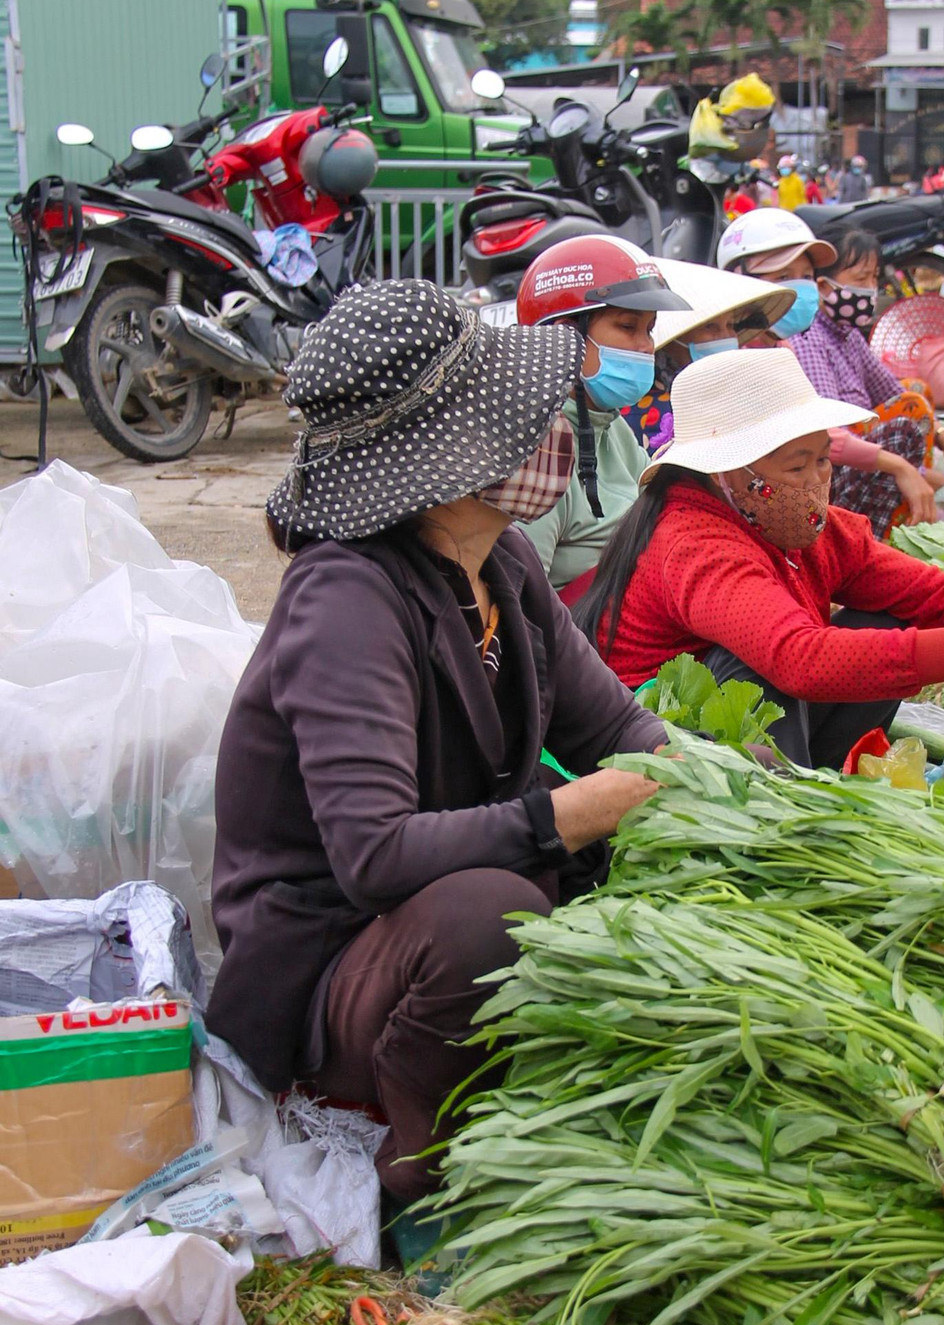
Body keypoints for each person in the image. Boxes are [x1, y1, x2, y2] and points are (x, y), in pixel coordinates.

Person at [206, 282, 668, 1200]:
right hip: (337, 962)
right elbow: (375, 856)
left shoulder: (503, 560)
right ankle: (418, 1166)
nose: (552, 428)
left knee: (626, 865)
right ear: (454, 446)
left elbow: (616, 726)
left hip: (435, 911)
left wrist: (714, 780)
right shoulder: (345, 597)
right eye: (522, 410)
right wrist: (568, 813)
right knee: (488, 916)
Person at [575, 347, 944, 768]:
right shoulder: (693, 542)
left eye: (822, 459)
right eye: (798, 466)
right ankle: (782, 809)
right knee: (757, 664)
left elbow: (922, 590)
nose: (818, 480)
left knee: (885, 621)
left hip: (747, 733)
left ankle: (817, 777)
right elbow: (798, 659)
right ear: (725, 473)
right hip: (660, 748)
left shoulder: (794, 523)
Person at [512, 236, 691, 601]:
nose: (646, 345)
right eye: (627, 327)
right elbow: (523, 605)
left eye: (649, 329)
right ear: (564, 336)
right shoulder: (534, 450)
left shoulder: (612, 428)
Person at [790, 225, 944, 538]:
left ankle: (919, 495)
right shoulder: (810, 338)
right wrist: (905, 468)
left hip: (859, 446)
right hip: (837, 465)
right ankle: (905, 518)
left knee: (916, 391)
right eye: (861, 279)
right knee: (909, 417)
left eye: (874, 278)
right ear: (824, 286)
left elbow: (893, 391)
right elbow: (828, 434)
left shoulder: (849, 336)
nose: (871, 289)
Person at [625, 261, 797, 454]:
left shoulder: (722, 396)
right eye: (710, 327)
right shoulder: (659, 410)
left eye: (730, 325)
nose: (726, 336)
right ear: (674, 340)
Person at [717, 206, 837, 340]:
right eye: (783, 277)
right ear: (739, 279)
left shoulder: (784, 348)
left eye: (807, 276)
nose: (800, 290)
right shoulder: (725, 349)